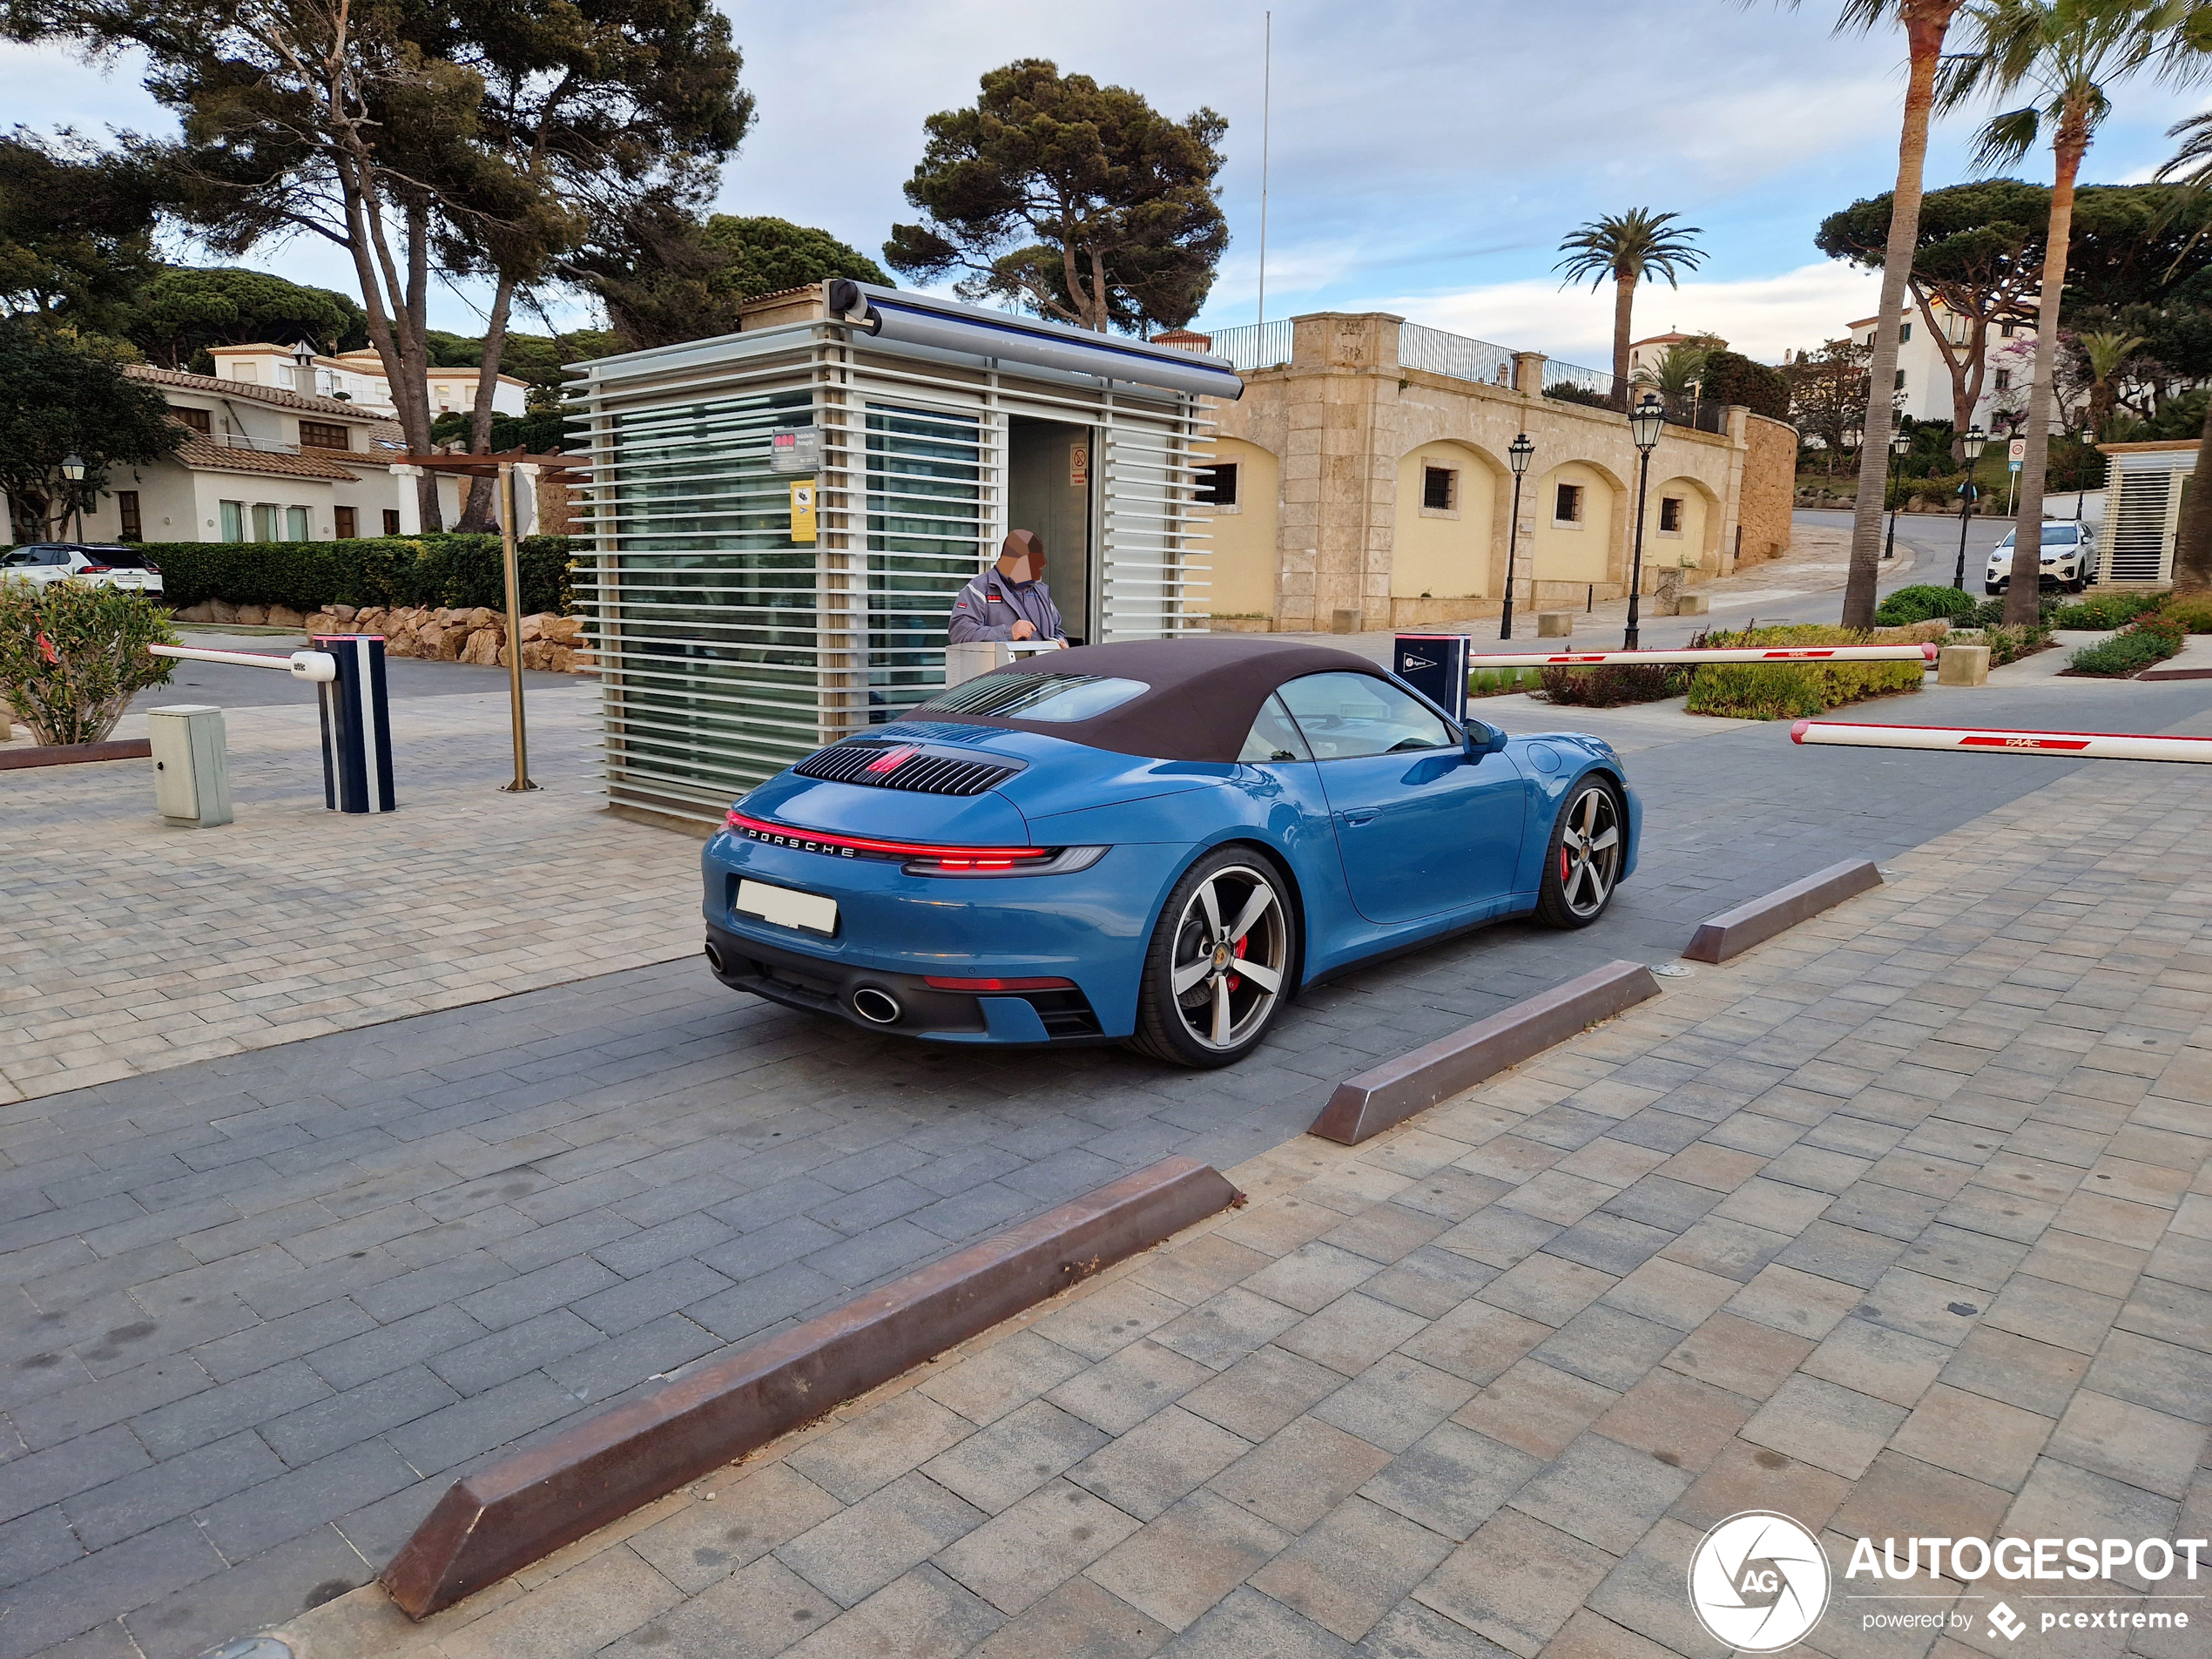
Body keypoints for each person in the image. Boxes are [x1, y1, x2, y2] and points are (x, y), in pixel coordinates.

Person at [948, 529, 1067, 646]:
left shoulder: (1040, 591)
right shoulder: (979, 589)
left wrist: (1060, 641)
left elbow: (1057, 629)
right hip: (1000, 666)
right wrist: (1009, 633)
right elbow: (960, 633)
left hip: (1039, 666)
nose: (1043, 563)